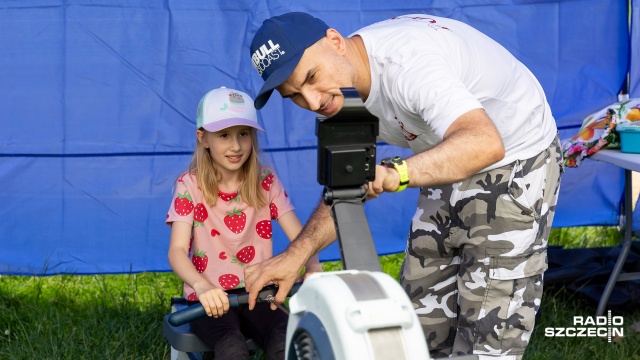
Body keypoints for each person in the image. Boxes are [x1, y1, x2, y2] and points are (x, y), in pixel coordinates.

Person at [244, 12, 564, 360]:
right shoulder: (334, 96)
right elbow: (345, 189)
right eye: (294, 95)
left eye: (311, 77)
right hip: (445, 148)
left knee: (487, 333)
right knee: (414, 325)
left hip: (514, 156)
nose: (312, 101)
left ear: (335, 42)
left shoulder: (407, 65)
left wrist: (397, 172)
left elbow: (485, 142)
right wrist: (296, 255)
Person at [166, 86, 322, 360]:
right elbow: (177, 251)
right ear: (203, 138)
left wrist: (313, 267)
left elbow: (301, 235)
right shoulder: (188, 186)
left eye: (243, 134)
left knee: (285, 343)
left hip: (260, 293)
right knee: (231, 348)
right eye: (224, 135)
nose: (236, 145)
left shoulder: (266, 181)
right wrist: (202, 287)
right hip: (211, 299)